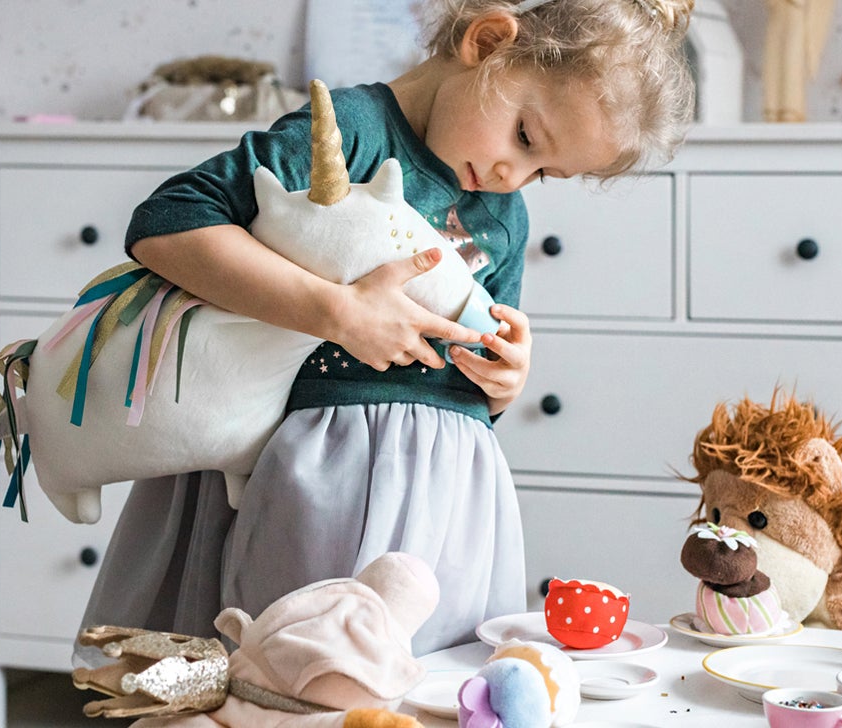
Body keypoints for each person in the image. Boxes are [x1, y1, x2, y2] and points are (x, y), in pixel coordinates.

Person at [78, 0, 696, 659]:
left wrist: (507, 378)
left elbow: (478, 378)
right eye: (523, 137)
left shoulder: (505, 215)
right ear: (487, 43)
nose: (515, 177)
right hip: (323, 475)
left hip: (454, 498)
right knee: (307, 668)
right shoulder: (349, 131)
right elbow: (167, 222)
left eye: (546, 172)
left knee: (433, 678)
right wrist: (336, 313)